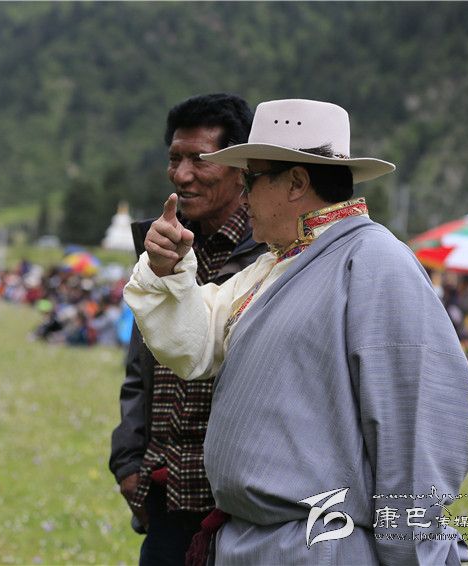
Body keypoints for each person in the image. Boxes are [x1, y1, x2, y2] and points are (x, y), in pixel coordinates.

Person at [125, 99, 468, 564]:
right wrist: (166, 270)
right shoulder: (277, 263)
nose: (242, 197)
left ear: (295, 183)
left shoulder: (376, 262)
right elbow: (197, 340)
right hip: (257, 544)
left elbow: (413, 438)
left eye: (251, 179)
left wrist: (414, 554)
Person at [109, 93, 267, 564]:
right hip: (164, 493)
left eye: (200, 159)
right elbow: (139, 368)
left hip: (237, 502)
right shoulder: (161, 249)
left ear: (240, 168)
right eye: (174, 158)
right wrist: (127, 463)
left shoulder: (268, 257)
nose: (181, 175)